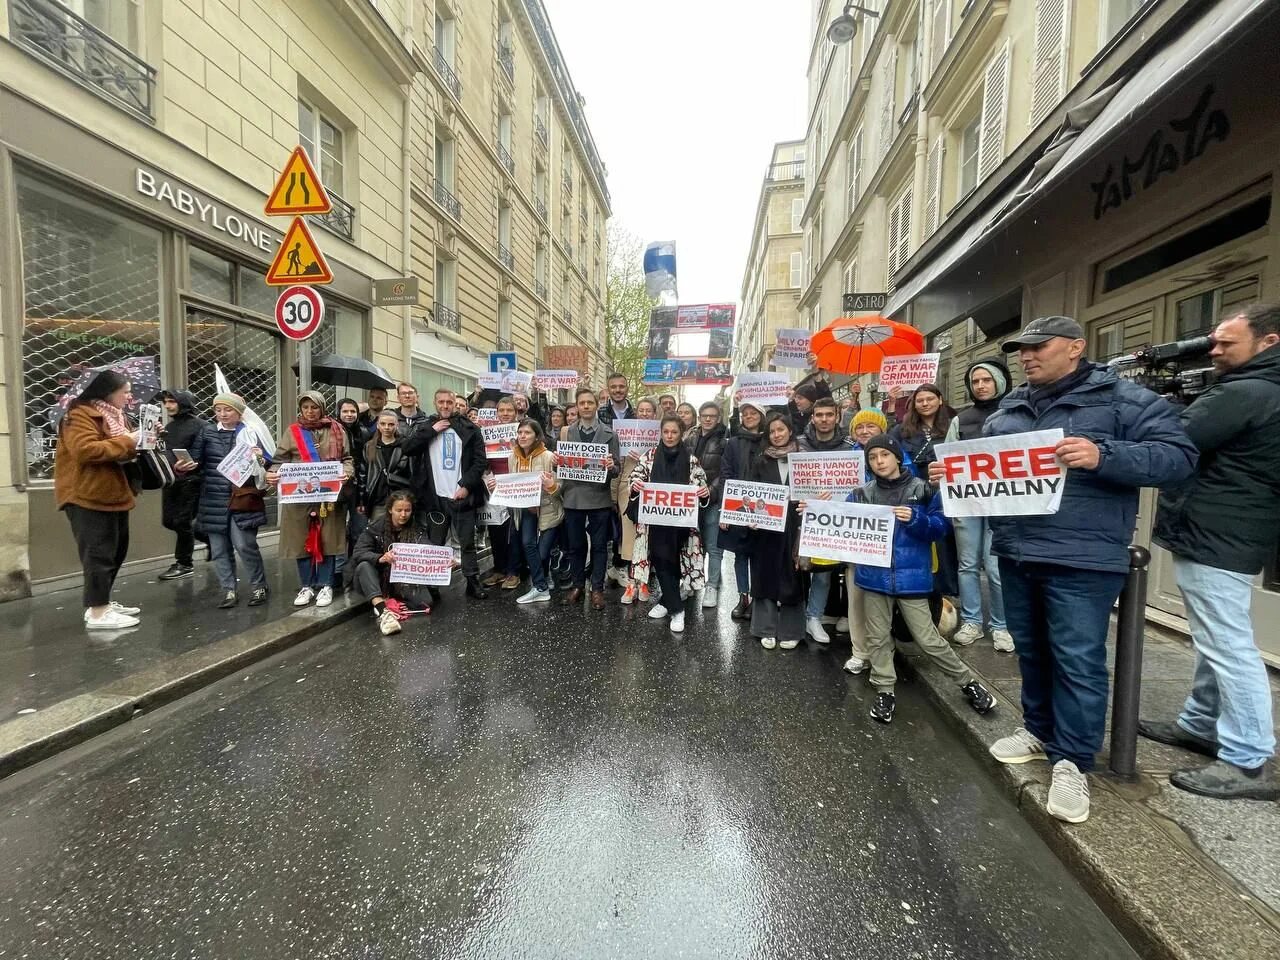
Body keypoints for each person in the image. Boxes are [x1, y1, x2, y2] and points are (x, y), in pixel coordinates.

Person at [970, 315, 1197, 824]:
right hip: (1018, 549)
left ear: (1075, 348)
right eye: (1021, 350)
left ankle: (1073, 759)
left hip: (1083, 555)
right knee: (1032, 650)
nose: (1026, 357)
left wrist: (1103, 454)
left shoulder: (1122, 399)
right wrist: (955, 471)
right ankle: (1039, 729)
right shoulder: (1009, 407)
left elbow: (1178, 457)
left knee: (1076, 658)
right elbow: (987, 468)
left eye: (1038, 347)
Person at [1143, 304, 1280, 800]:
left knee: (1228, 645)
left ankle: (1247, 759)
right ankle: (1200, 723)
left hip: (1219, 531)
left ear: (1269, 342)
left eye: (1227, 343)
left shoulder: (1246, 392)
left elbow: (1175, 438)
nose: (1214, 350)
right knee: (1214, 639)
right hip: (1229, 530)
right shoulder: (1257, 388)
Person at [849, 435, 996, 724]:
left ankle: (968, 682)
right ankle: (884, 689)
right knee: (877, 638)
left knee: (928, 639)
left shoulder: (924, 489)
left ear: (897, 456)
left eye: (884, 455)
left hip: (912, 579)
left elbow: (941, 527)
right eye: (872, 457)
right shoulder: (861, 493)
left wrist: (917, 521)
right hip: (874, 578)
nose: (879, 461)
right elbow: (840, 525)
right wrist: (815, 511)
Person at [54, 370, 142, 630]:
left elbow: (120, 450)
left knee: (116, 550)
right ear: (107, 392)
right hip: (87, 494)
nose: (129, 397)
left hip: (113, 492)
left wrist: (143, 438)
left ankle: (102, 601)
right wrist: (128, 440)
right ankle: (97, 612)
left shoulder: (116, 416)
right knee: (98, 553)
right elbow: (85, 450)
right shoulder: (78, 415)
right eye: (124, 392)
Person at [943, 362, 1015, 651]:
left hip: (1001, 504)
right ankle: (972, 621)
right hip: (968, 502)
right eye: (975, 381)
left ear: (999, 381)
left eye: (987, 380)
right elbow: (948, 457)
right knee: (968, 564)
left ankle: (1001, 625)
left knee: (996, 567)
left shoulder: (1014, 415)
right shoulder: (961, 419)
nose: (981, 385)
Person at [267, 392, 354, 608]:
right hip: (299, 498)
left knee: (328, 540)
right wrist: (273, 473)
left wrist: (346, 472)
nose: (310, 411)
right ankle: (307, 585)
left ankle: (325, 585)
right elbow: (279, 460)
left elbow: (347, 459)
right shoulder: (292, 431)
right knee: (301, 541)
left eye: (314, 407)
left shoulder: (337, 430)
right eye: (305, 407)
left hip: (328, 497)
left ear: (322, 408)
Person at [401, 388, 490, 599]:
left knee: (467, 542)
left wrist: (466, 486)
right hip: (435, 498)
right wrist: (432, 431)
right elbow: (407, 448)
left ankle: (472, 582)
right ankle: (433, 585)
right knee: (436, 544)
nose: (445, 406)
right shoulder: (426, 426)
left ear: (457, 404)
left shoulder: (470, 428)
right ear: (435, 403)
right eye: (441, 402)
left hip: (461, 495)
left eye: (449, 402)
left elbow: (480, 462)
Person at [184, 393, 270, 609]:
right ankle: (228, 590)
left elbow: (266, 465)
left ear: (239, 412)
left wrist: (259, 457)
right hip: (213, 499)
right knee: (220, 548)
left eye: (228, 410)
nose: (222, 414)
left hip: (243, 499)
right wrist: (185, 468)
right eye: (218, 410)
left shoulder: (251, 433)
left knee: (244, 545)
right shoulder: (207, 431)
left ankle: (259, 585)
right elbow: (196, 462)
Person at [628, 415, 711, 632]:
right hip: (655, 524)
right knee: (661, 560)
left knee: (674, 562)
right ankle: (677, 610)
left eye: (674, 432)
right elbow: (635, 478)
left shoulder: (692, 460)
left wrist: (703, 493)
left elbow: (702, 487)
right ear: (661, 433)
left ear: (681, 433)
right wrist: (635, 485)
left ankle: (667, 602)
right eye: (666, 432)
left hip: (682, 526)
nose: (670, 436)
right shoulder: (649, 457)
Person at [892, 382, 959, 606]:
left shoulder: (954, 425)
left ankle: (947, 594)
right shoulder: (902, 430)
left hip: (948, 492)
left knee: (945, 544)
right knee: (920, 543)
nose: (925, 403)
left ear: (940, 400)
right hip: (915, 494)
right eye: (920, 400)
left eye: (929, 399)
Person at [746, 413, 807, 650]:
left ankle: (792, 630)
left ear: (790, 431)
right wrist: (749, 517)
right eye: (772, 431)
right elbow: (750, 493)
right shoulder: (761, 461)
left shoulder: (804, 460)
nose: (776, 435)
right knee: (765, 574)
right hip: (766, 528)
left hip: (794, 525)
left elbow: (817, 492)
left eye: (781, 430)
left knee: (792, 576)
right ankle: (764, 628)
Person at [556, 386, 621, 609]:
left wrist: (612, 466)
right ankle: (577, 585)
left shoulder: (610, 434)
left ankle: (597, 589)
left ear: (596, 405)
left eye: (589, 403)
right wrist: (558, 462)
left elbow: (617, 469)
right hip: (573, 496)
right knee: (575, 545)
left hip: (599, 497)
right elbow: (561, 465)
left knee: (600, 546)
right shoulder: (566, 432)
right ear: (577, 406)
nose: (585, 406)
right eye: (582, 403)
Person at [794, 396, 853, 645]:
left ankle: (814, 616)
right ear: (812, 417)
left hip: (830, 519)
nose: (824, 419)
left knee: (823, 572)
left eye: (829, 414)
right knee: (795, 569)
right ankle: (792, 614)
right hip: (799, 514)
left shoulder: (848, 448)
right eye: (819, 415)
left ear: (837, 416)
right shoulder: (798, 445)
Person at [350, 490, 438, 636]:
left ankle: (392, 601)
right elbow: (358, 553)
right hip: (376, 578)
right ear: (390, 509)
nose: (403, 514)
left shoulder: (416, 528)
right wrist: (380, 558)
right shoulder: (376, 527)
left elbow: (429, 550)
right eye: (399, 510)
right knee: (364, 565)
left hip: (401, 580)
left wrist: (445, 561)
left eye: (407, 510)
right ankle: (383, 611)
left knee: (426, 602)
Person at [504, 418, 562, 604]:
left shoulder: (549, 457)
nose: (522, 436)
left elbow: (561, 485)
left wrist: (552, 486)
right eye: (520, 432)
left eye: (527, 432)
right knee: (528, 545)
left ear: (537, 436)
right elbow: (512, 483)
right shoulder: (512, 456)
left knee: (542, 552)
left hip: (548, 510)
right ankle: (541, 587)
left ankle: (545, 577)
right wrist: (498, 486)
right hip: (526, 510)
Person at [718, 400, 766, 621]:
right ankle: (743, 597)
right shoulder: (733, 443)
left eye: (753, 412)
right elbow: (726, 474)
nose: (749, 416)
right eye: (745, 413)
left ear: (761, 415)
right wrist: (725, 511)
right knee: (740, 555)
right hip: (738, 507)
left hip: (763, 509)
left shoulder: (769, 441)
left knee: (759, 556)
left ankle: (758, 597)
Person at [154, 389, 205, 581]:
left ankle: (184, 563)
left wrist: (195, 464)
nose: (167, 406)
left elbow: (205, 452)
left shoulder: (201, 426)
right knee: (168, 521)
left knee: (181, 522)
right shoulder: (169, 426)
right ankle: (207, 537)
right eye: (166, 402)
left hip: (191, 481)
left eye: (171, 402)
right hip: (171, 480)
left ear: (183, 403)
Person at [685, 402, 728, 609]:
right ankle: (691, 582)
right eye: (704, 416)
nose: (708, 419)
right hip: (691, 501)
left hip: (713, 500)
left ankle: (712, 586)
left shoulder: (725, 439)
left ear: (718, 418)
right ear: (699, 417)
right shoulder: (691, 437)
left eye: (712, 416)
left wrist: (711, 489)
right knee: (693, 544)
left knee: (714, 546)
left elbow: (726, 471)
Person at [617, 396, 659, 604]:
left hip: (652, 489)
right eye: (641, 410)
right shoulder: (625, 433)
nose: (644, 413)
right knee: (630, 536)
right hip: (628, 489)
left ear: (654, 413)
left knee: (647, 536)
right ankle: (631, 581)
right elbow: (617, 465)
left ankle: (644, 581)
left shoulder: (662, 434)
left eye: (648, 410)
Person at [334, 398, 368, 590]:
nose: (349, 415)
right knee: (337, 531)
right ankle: (339, 572)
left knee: (358, 530)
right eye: (345, 411)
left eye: (352, 411)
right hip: (337, 488)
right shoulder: (332, 431)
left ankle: (355, 569)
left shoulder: (362, 431)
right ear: (338, 412)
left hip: (358, 488)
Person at [363, 410, 414, 523]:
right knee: (378, 532)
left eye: (391, 424)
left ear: (397, 425)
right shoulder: (370, 446)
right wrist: (362, 500)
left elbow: (412, 473)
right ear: (377, 425)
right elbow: (364, 473)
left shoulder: (405, 445)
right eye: (383, 424)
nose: (387, 427)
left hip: (400, 498)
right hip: (377, 498)